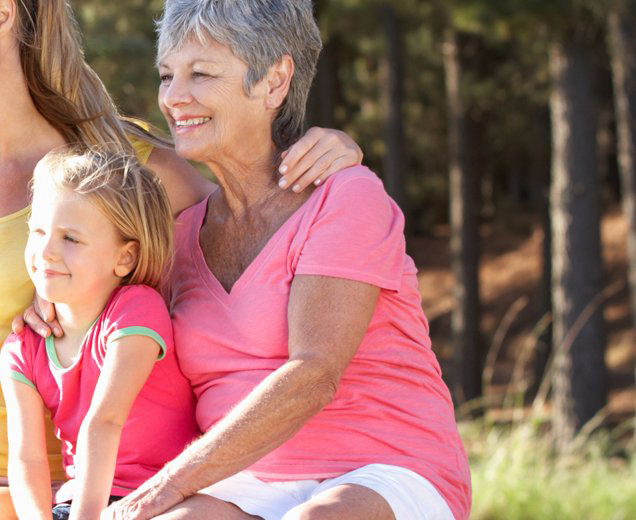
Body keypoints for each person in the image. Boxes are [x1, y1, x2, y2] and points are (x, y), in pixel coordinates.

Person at [0, 0, 363, 519]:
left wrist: (336, 152)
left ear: (3, 14)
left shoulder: (123, 165)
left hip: (52, 481)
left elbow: (255, 224)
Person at [105, 1, 472, 519]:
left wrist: (167, 484)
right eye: (167, 75)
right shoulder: (180, 233)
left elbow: (314, 373)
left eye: (202, 73)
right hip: (246, 481)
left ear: (274, 81)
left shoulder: (344, 196)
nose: (174, 97)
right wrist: (47, 311)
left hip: (384, 466)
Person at [0, 149, 198, 520]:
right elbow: (27, 458)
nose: (46, 251)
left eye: (70, 239)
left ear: (124, 258)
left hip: (160, 496)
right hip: (78, 502)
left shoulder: (136, 310)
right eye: (38, 231)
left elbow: (104, 421)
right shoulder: (21, 347)